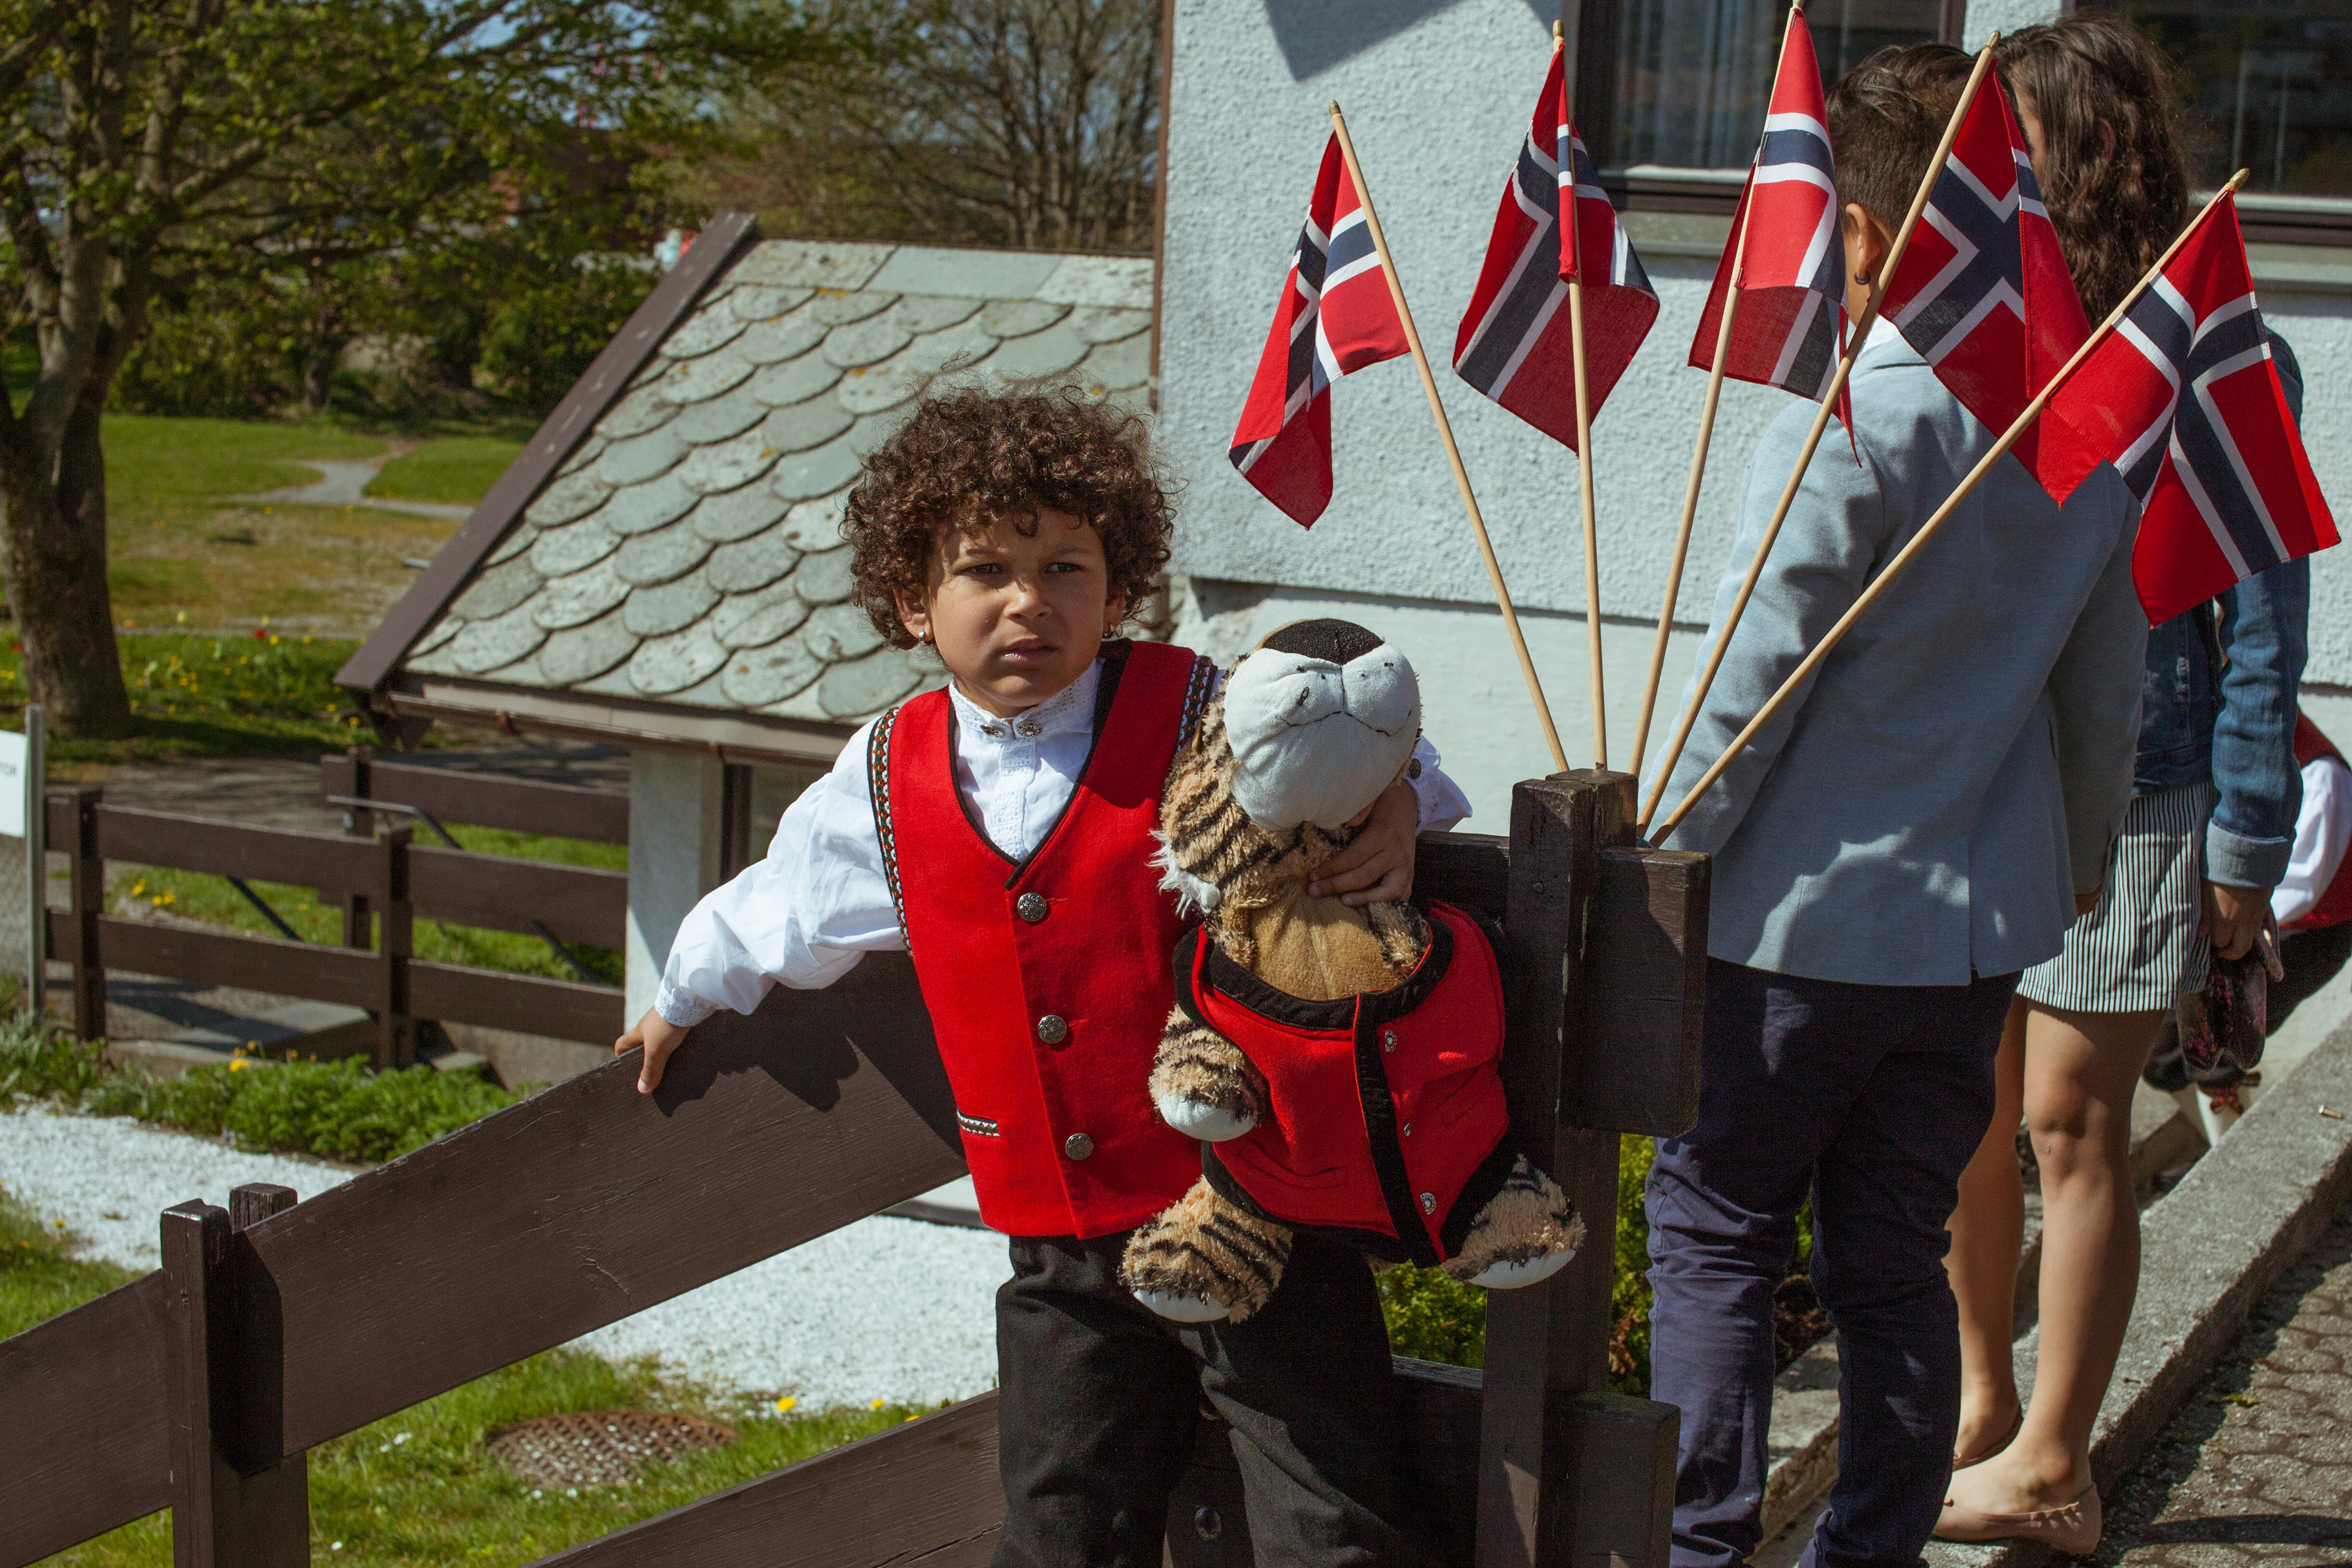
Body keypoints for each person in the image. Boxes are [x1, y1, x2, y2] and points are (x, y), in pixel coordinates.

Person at [613, 384, 1472, 1568]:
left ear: (1117, 593)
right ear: (912, 600)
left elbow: (1358, 745)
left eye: (1067, 569)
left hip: (1259, 1211)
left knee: (1333, 1520)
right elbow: (784, 903)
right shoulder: (886, 773)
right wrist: (683, 994)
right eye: (985, 571)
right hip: (1060, 1249)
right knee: (1061, 1526)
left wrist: (1399, 807)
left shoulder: (1198, 709)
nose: (1029, 601)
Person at [1644, 43, 2149, 1568]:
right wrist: (2079, 859)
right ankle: (1867, 1550)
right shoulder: (2079, 417)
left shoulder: (1858, 413)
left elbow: (1753, 669)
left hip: (1791, 922)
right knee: (1891, 1258)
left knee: (1717, 1233)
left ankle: (1697, 1548)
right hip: (1970, 931)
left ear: (1861, 231)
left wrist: (1661, 856)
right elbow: (2102, 692)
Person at [1938, 18, 2312, 1553]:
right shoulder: (1986, 322)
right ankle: (1979, 1400)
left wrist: (2245, 836)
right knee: (1964, 1114)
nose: (1983, 162)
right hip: (1980, 772)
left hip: (2145, 792)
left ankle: (2054, 1462)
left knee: (2070, 1119)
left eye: (2009, 133)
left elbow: (2264, 616)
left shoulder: (2215, 344)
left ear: (2084, 146)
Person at [2141, 712, 2351, 1136]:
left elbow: (2302, 887)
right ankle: (2217, 1140)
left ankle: (2232, 1152)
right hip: (2233, 917)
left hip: (2311, 928)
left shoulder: (2318, 772)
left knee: (2217, 1041)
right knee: (2160, 1054)